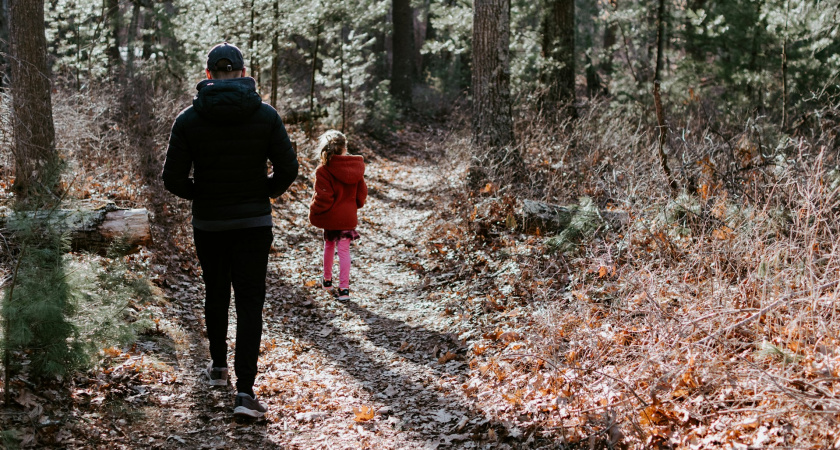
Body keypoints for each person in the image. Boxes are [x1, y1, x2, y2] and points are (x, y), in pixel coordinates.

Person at [161, 42, 298, 418]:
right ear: (241, 73)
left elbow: (171, 178)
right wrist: (262, 194)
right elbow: (289, 169)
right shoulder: (265, 115)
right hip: (254, 223)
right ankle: (245, 393)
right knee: (250, 302)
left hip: (210, 223)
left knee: (216, 291)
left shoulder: (188, 119)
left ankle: (218, 368)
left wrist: (202, 196)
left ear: (208, 75)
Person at [308, 130, 367, 301]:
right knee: (344, 252)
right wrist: (353, 206)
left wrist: (314, 210)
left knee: (329, 246)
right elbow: (362, 194)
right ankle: (344, 289)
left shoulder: (324, 170)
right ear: (345, 148)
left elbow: (323, 198)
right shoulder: (356, 168)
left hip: (331, 217)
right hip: (348, 217)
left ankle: (327, 281)